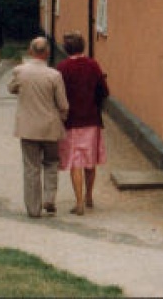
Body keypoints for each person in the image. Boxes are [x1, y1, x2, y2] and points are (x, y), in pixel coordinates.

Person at [7, 36, 69, 218]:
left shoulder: (20, 71)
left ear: (30, 51)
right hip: (50, 126)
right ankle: (49, 197)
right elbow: (63, 104)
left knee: (31, 167)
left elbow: (11, 88)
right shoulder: (54, 75)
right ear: (48, 53)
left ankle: (33, 209)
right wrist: (62, 118)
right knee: (51, 162)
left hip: (27, 127)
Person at [56, 31, 109, 215]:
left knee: (75, 161)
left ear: (66, 48)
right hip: (91, 118)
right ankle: (88, 196)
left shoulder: (62, 68)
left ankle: (78, 202)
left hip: (71, 120)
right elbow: (104, 90)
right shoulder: (93, 64)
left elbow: (58, 95)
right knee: (90, 159)